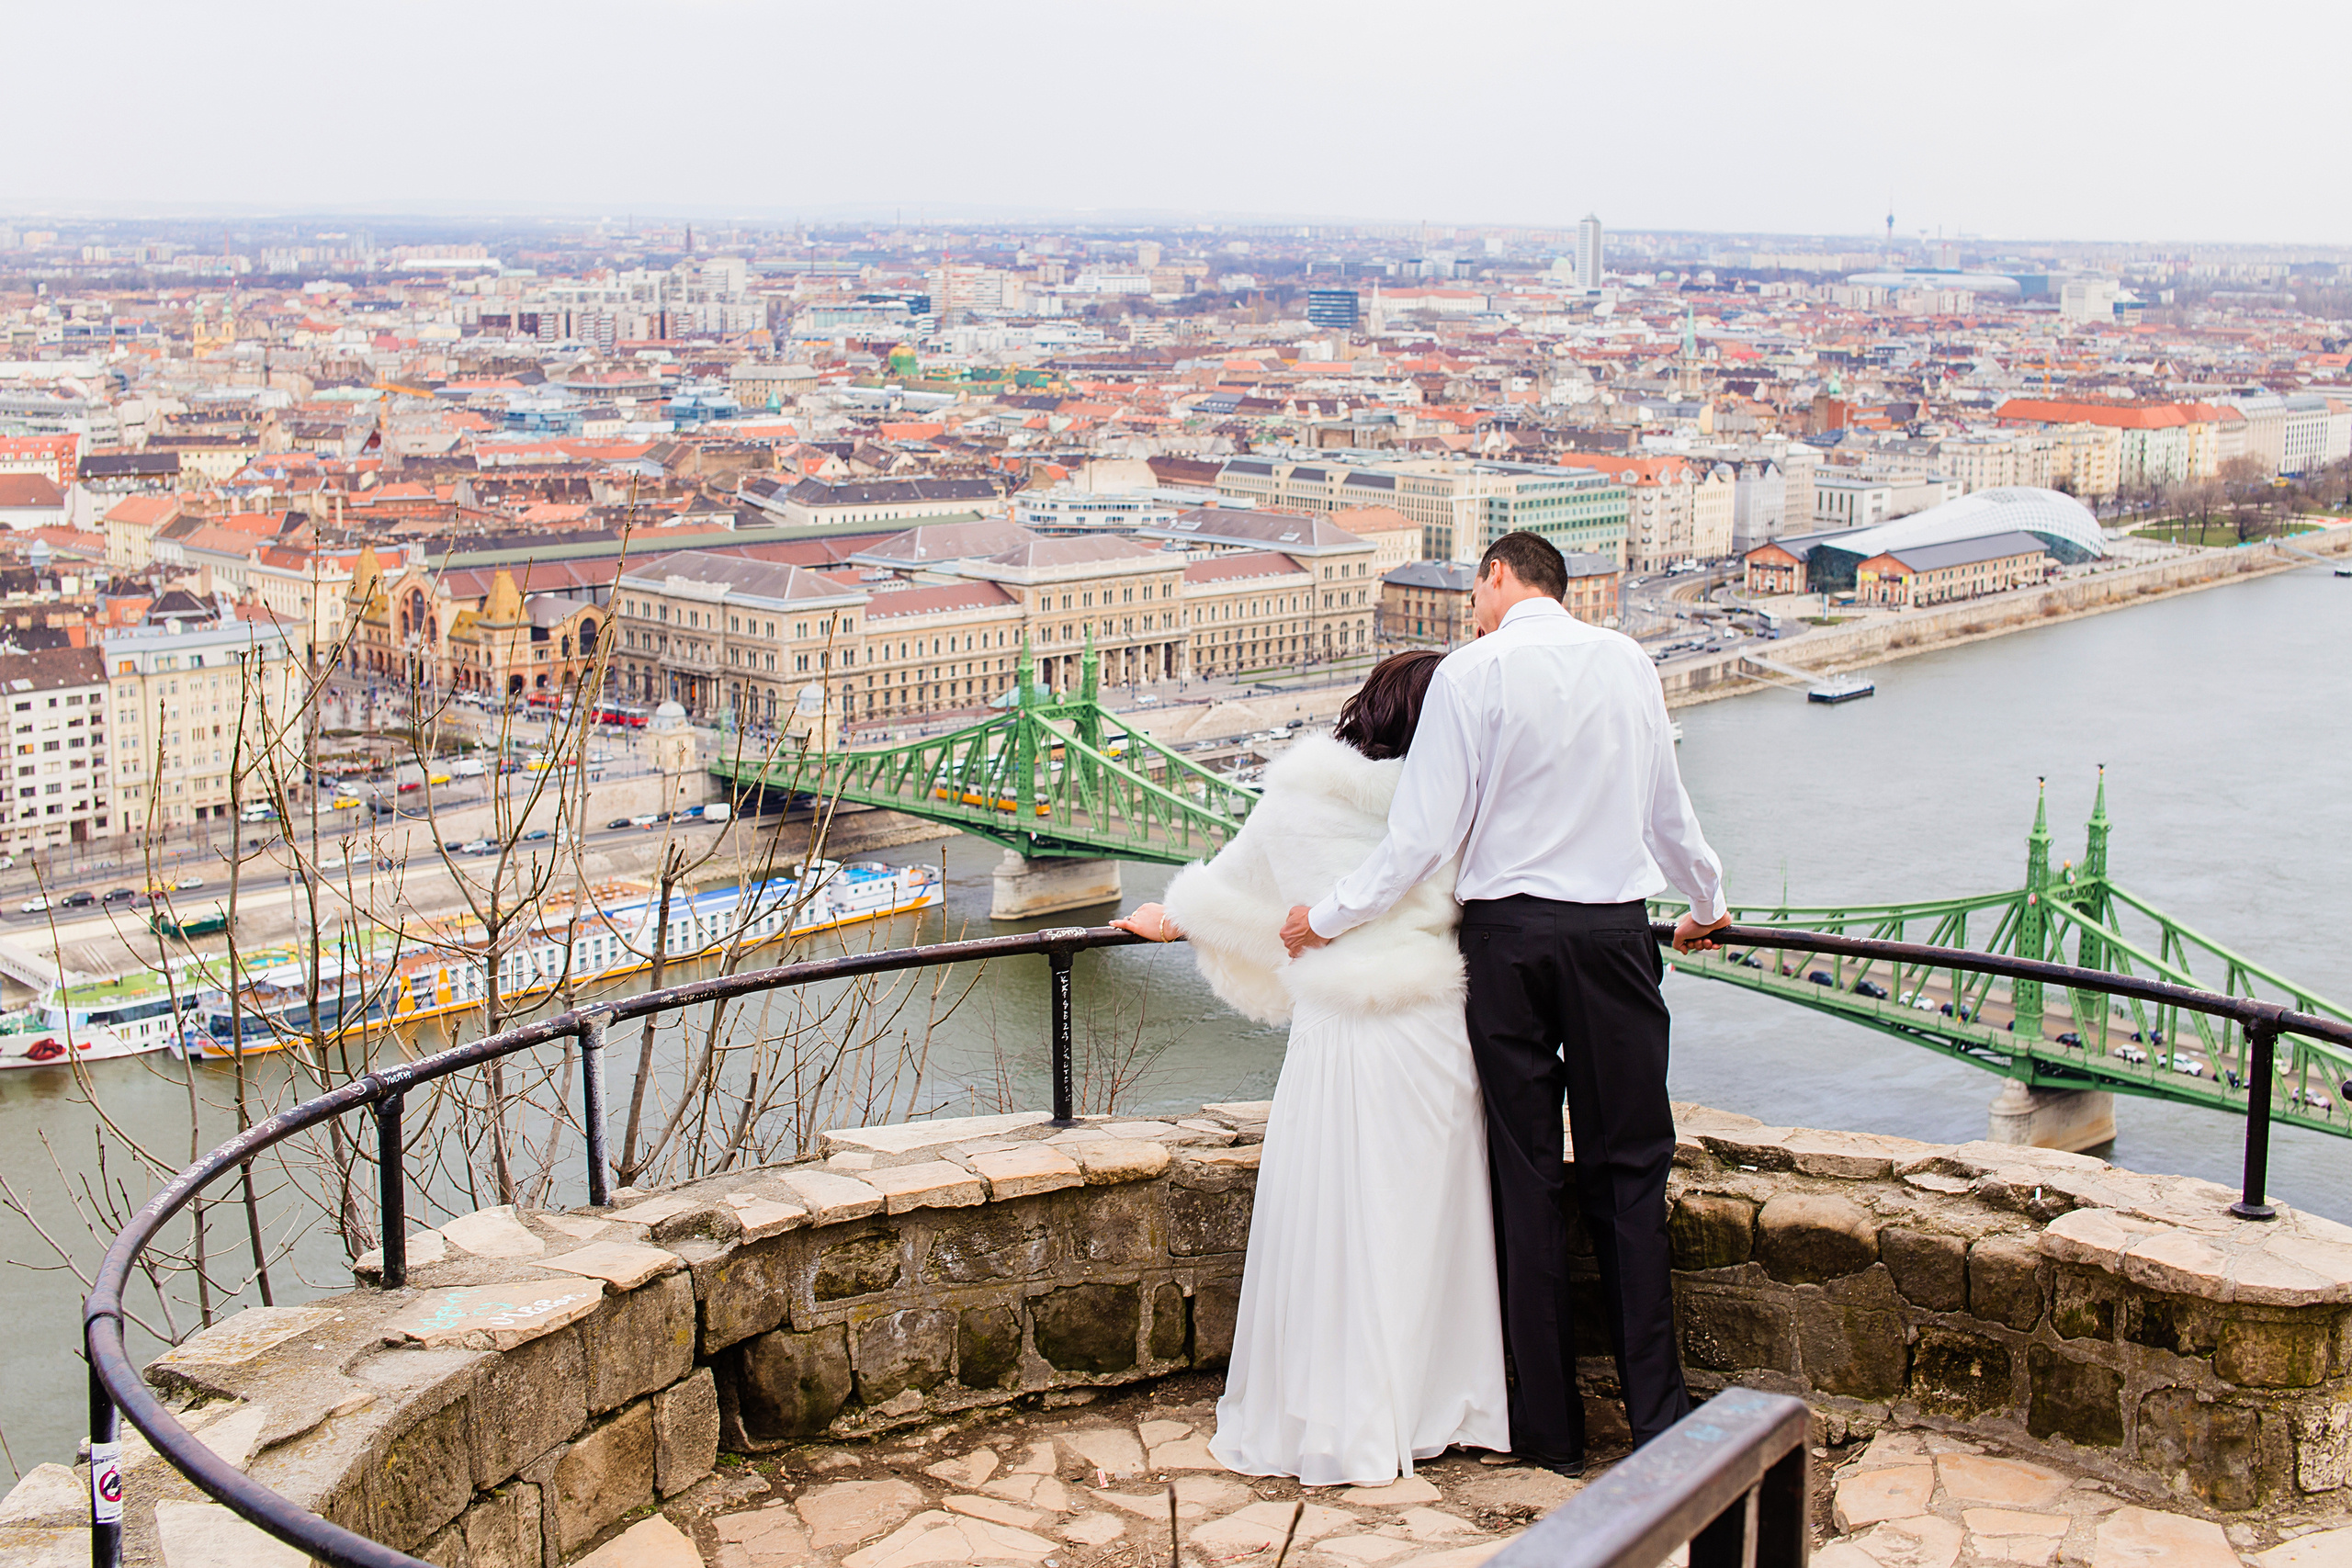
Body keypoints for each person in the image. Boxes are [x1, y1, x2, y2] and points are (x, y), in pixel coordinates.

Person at [1280, 530, 1732, 1473]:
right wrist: (1706, 905)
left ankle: (1552, 1434)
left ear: (1496, 575)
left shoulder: (1470, 675)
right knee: (1629, 1173)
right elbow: (1667, 809)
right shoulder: (1625, 659)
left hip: (1507, 942)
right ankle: (1658, 1421)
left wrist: (1327, 916)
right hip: (1613, 936)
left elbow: (1421, 833)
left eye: (1474, 593)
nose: (1471, 612)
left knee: (1524, 1180)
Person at [1114, 650, 1507, 1487]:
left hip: (1339, 1033)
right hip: (1434, 1027)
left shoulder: (1293, 799)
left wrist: (1171, 915)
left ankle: (1338, 1417)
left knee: (1337, 1217)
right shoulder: (1464, 802)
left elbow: (1232, 892)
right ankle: (1438, 1404)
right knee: (1426, 1220)